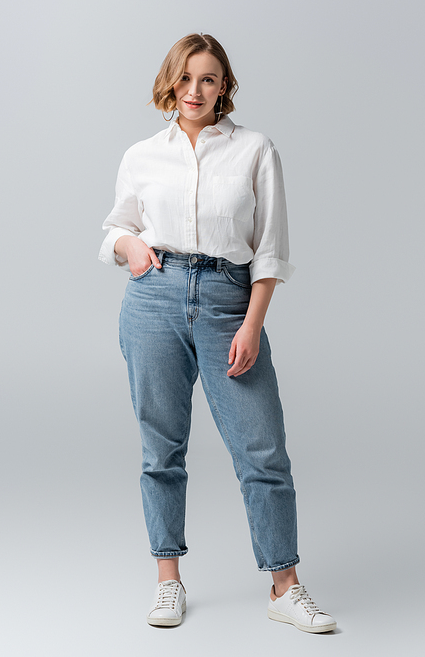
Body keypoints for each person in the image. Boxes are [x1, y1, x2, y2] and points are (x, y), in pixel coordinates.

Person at [99, 33, 337, 633]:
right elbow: (116, 227)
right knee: (162, 449)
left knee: (263, 451)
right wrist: (131, 246)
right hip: (153, 300)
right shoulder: (142, 154)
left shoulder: (255, 150)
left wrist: (253, 323)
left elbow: (270, 248)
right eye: (183, 78)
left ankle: (285, 586)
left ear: (224, 85)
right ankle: (167, 580)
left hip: (231, 300)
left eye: (207, 78)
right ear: (168, 83)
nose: (193, 90)